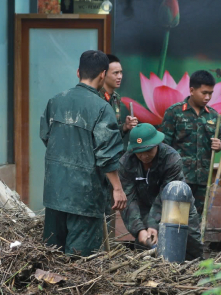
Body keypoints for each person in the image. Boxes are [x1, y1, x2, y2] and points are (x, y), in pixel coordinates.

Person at [40, 50, 126, 257]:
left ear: (78, 72)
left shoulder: (55, 101)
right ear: (103, 75)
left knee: (51, 256)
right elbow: (107, 154)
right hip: (84, 198)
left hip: (54, 193)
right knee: (80, 263)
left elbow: (46, 136)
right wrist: (117, 188)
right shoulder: (102, 109)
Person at [118, 124, 202, 260]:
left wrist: (153, 224)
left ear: (157, 144)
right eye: (139, 151)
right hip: (144, 206)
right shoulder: (126, 163)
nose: (144, 156)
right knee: (145, 245)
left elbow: (165, 194)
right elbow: (128, 198)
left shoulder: (171, 158)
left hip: (176, 203)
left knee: (190, 239)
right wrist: (139, 229)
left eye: (148, 150)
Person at [159, 70, 221, 216]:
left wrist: (219, 145)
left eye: (211, 93)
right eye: (204, 92)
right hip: (179, 177)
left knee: (197, 220)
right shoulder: (174, 112)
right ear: (192, 90)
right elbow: (164, 146)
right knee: (177, 219)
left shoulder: (214, 116)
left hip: (203, 179)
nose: (208, 97)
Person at [103, 54, 138, 141]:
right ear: (103, 74)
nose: (120, 76)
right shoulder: (95, 97)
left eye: (121, 72)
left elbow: (114, 131)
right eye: (115, 73)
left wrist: (125, 126)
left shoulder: (116, 97)